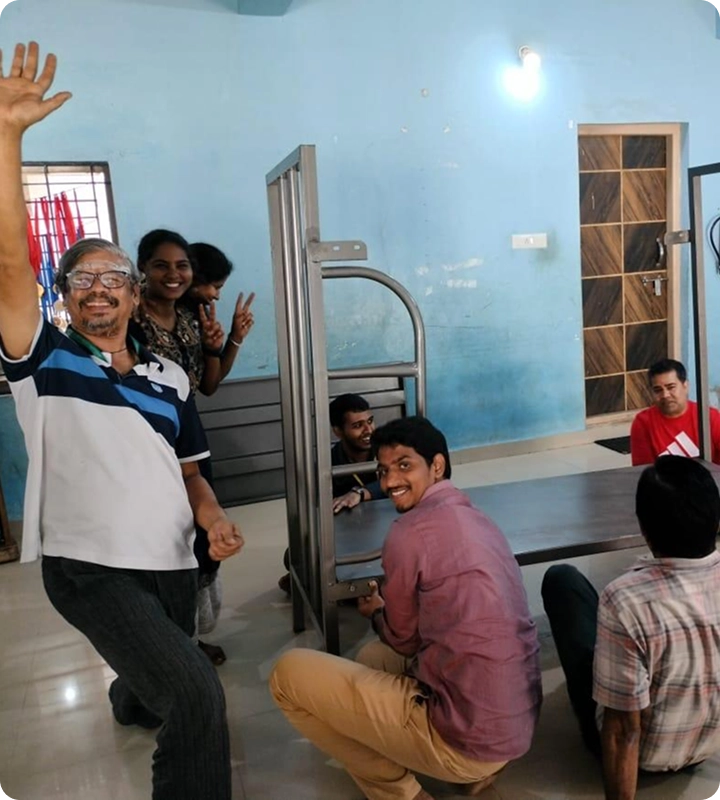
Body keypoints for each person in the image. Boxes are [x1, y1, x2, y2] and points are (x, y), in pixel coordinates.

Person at [0, 42, 243, 800]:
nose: (98, 289)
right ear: (65, 297)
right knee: (197, 696)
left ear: (136, 297)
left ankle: (128, 694)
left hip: (170, 557)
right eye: (82, 280)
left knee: (152, 679)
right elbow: (9, 264)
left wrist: (212, 516)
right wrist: (7, 138)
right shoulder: (43, 360)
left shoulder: (170, 378)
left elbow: (190, 473)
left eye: (114, 279)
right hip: (90, 568)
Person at [271, 416, 542, 800]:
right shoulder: (479, 519)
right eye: (382, 470)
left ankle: (405, 793)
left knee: (287, 676)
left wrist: (376, 612)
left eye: (404, 466)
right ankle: (472, 779)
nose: (389, 482)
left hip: (467, 742)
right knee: (369, 657)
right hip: (516, 728)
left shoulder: (407, 533)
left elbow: (402, 639)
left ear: (437, 466)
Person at [542, 455, 720, 800]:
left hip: (646, 757)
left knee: (562, 581)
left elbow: (623, 732)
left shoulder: (624, 600)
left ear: (644, 530)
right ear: (715, 523)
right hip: (707, 744)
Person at [133, 230, 255, 664]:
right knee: (159, 536)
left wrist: (227, 340)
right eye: (162, 265)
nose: (174, 275)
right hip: (144, 441)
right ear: (142, 266)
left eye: (181, 267)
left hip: (188, 439)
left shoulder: (189, 319)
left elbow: (208, 384)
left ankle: (187, 635)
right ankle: (162, 641)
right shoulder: (131, 317)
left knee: (196, 534)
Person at [278, 393, 384, 594]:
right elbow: (322, 518)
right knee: (292, 556)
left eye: (370, 421)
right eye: (357, 425)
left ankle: (321, 585)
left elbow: (399, 482)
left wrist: (360, 493)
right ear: (338, 431)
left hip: (390, 529)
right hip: (353, 536)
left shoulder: (388, 449)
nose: (368, 430)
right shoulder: (328, 466)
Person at [630, 358, 720, 465]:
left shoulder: (708, 417)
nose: (665, 395)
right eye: (658, 390)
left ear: (685, 386)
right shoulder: (643, 423)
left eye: (671, 387)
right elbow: (643, 471)